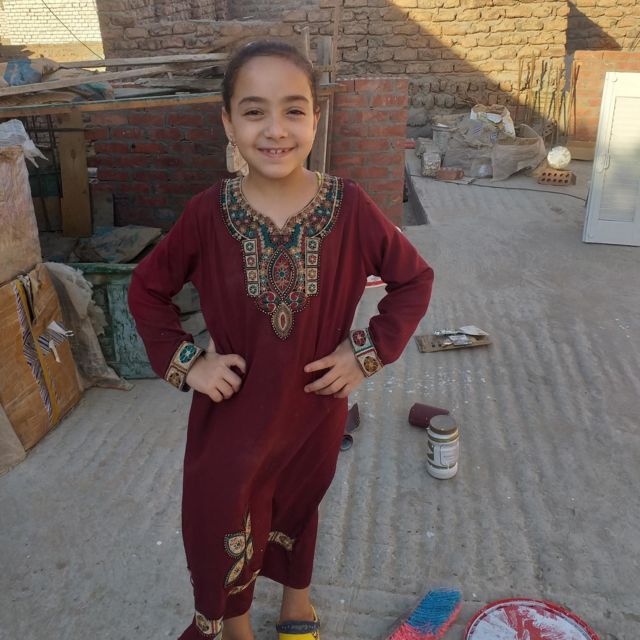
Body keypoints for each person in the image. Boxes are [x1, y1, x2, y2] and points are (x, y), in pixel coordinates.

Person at [128, 40, 434, 640]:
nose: (275, 130)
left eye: (293, 110)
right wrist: (190, 362)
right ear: (228, 123)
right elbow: (147, 289)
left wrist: (367, 352)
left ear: (316, 119)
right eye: (254, 111)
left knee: (298, 504)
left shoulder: (350, 207)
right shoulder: (207, 213)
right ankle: (237, 624)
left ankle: (297, 601)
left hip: (315, 408)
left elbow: (413, 280)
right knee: (226, 515)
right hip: (232, 413)